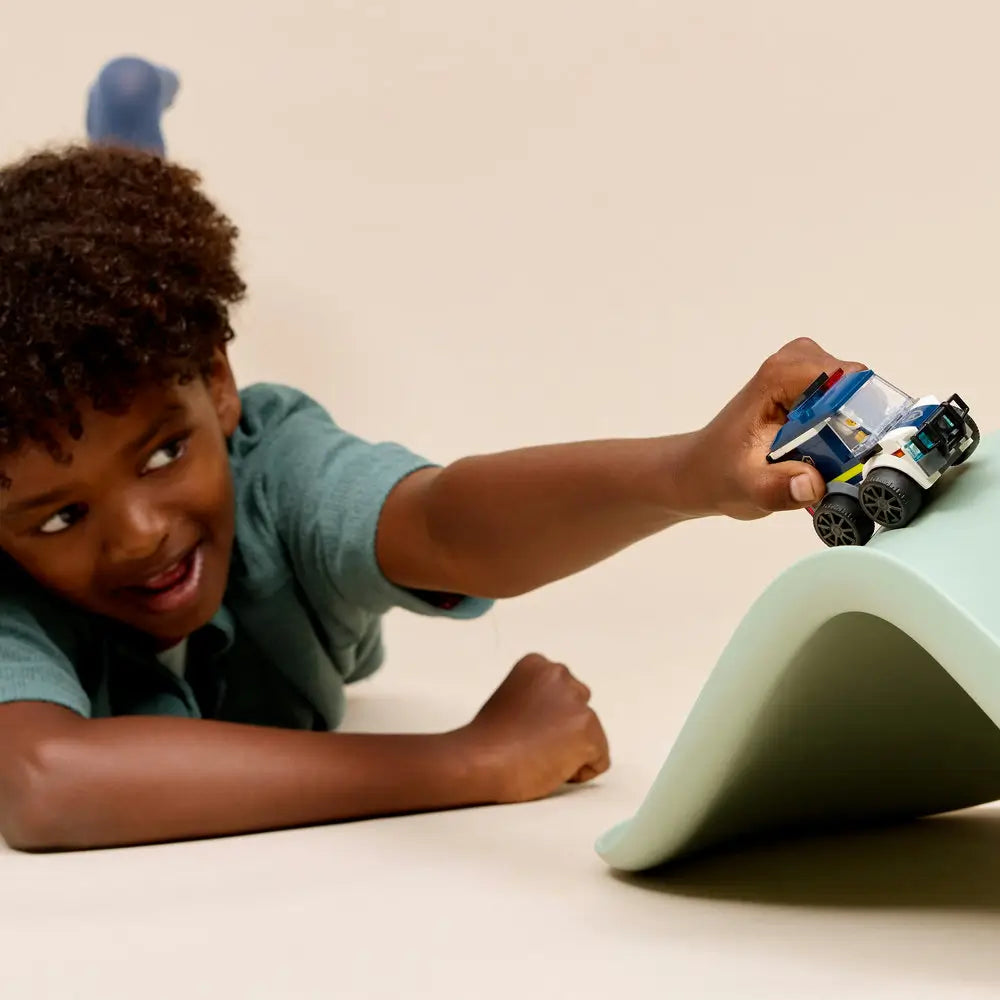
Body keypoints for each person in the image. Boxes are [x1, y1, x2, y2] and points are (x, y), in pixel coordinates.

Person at [0, 59, 863, 851]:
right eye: (62, 515)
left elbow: (445, 524)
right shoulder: (14, 584)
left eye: (162, 457)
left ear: (222, 385)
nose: (139, 535)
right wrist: (467, 761)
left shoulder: (273, 467)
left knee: (117, 307)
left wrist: (687, 475)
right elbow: (47, 785)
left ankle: (129, 144)